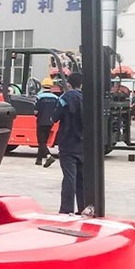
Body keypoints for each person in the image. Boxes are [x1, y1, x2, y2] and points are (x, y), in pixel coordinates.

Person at [49, 72, 84, 214]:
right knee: (82, 180)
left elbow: (54, 117)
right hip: (83, 145)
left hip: (68, 144)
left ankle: (66, 209)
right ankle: (83, 208)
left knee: (69, 178)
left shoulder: (65, 98)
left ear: (68, 83)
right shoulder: (88, 98)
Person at [33, 77, 58, 165]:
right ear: (51, 86)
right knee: (44, 141)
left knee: (41, 141)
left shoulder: (39, 97)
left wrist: (36, 114)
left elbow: (36, 111)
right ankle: (39, 160)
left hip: (41, 121)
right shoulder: (55, 98)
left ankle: (48, 156)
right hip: (50, 122)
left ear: (42, 86)